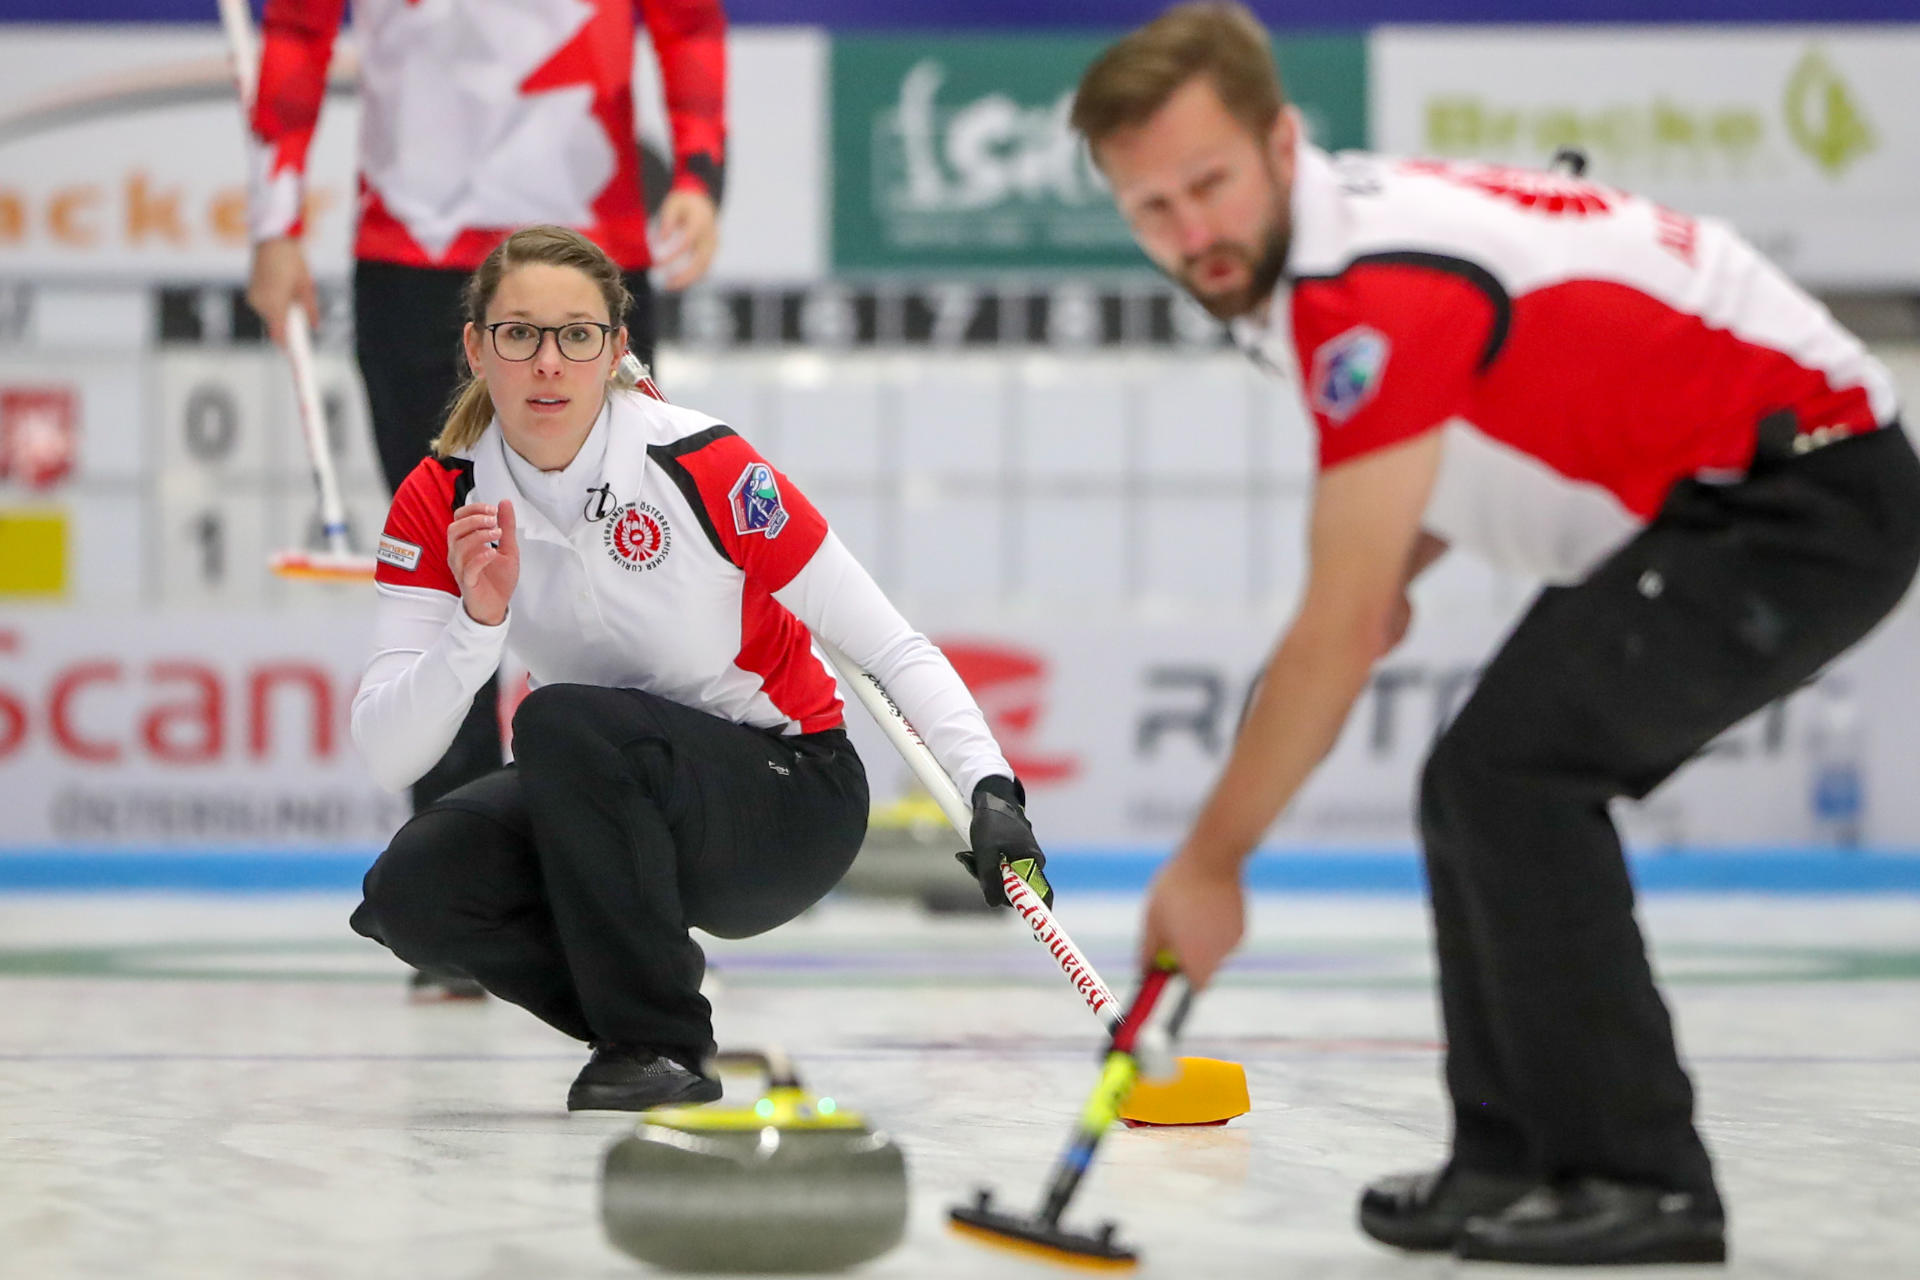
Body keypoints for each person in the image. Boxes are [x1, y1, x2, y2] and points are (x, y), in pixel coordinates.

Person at [1072, 2, 1919, 1266]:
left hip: (1808, 497)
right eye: (1153, 209)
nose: (1193, 233)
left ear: (1281, 144)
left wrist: (1212, 861)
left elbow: (1345, 621)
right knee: (1473, 779)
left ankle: (1644, 1177)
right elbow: (1509, 392)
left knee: (1515, 775)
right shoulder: (1323, 249)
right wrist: (1401, 550)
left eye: (1209, 183)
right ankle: (1509, 1156)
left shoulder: (1370, 288)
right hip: (1722, 494)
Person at [345, 225, 1053, 1110]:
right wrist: (476, 625)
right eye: (520, 334)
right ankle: (649, 1019)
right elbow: (389, 754)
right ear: (477, 349)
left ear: (616, 351)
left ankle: (657, 1043)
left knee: (560, 718)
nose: (548, 363)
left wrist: (993, 790)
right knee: (412, 891)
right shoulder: (437, 497)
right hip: (606, 794)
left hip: (786, 799)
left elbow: (889, 644)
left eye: (577, 335)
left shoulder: (699, 464)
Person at [240, 0, 727, 996]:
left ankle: (630, 887)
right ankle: (463, 896)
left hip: (590, 240)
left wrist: (700, 171)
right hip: (415, 259)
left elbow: (690, 24)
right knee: (445, 562)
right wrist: (271, 225)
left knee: (619, 560)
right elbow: (293, 34)